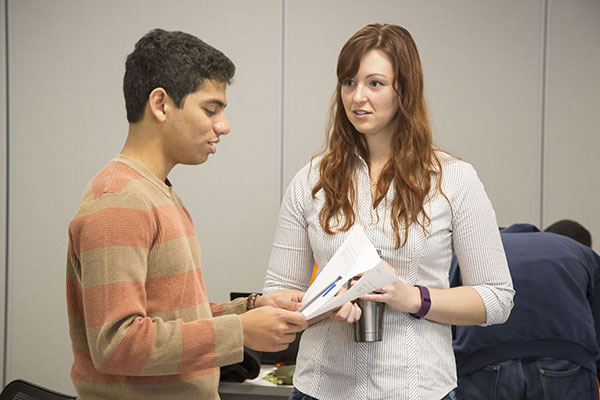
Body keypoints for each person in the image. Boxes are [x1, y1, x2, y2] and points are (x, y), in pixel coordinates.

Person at [263, 23, 514, 400]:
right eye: (348, 83)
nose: (357, 97)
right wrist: (325, 302)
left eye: (375, 84)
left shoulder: (454, 180)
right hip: (321, 388)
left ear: (404, 90)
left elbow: (497, 299)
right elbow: (278, 292)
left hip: (418, 389)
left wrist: (412, 297)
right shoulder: (311, 179)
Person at [65, 29, 307, 400]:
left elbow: (170, 315)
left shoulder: (156, 192)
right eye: (211, 109)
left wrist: (252, 307)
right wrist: (239, 331)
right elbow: (118, 343)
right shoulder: (118, 201)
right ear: (161, 104)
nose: (223, 125)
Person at [451, 220, 600, 399]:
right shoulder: (580, 252)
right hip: (565, 357)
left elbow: (449, 314)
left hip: (483, 357)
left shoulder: (470, 255)